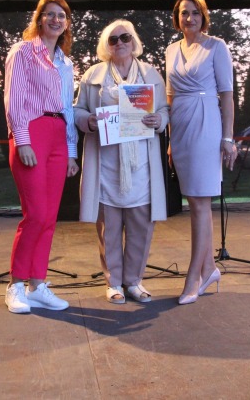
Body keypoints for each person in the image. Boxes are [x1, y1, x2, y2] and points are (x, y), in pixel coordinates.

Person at [74, 19, 169, 304]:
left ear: (134, 40)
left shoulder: (150, 74)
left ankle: (134, 281)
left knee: (141, 227)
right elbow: (77, 110)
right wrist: (88, 120)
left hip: (141, 164)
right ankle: (113, 282)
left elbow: (164, 109)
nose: (120, 43)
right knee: (109, 229)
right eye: (113, 39)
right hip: (106, 164)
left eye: (125, 37)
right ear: (106, 45)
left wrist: (159, 119)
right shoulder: (93, 75)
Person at [3, 0, 80, 314]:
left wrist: (72, 151)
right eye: (49, 14)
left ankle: (37, 284)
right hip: (31, 132)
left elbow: (68, 108)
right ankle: (15, 285)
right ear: (39, 19)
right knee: (34, 214)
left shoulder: (66, 63)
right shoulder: (22, 52)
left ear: (67, 23)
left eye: (61, 15)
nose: (55, 19)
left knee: (49, 217)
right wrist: (22, 141)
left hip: (59, 134)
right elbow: (13, 99)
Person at [165, 0, 237, 305]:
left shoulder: (216, 46)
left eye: (195, 12)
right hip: (180, 127)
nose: (189, 18)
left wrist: (228, 138)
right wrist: (171, 139)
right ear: (177, 17)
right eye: (184, 12)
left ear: (203, 16)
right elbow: (169, 97)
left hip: (206, 124)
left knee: (199, 202)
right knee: (195, 201)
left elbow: (227, 96)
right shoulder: (171, 50)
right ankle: (209, 269)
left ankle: (194, 275)